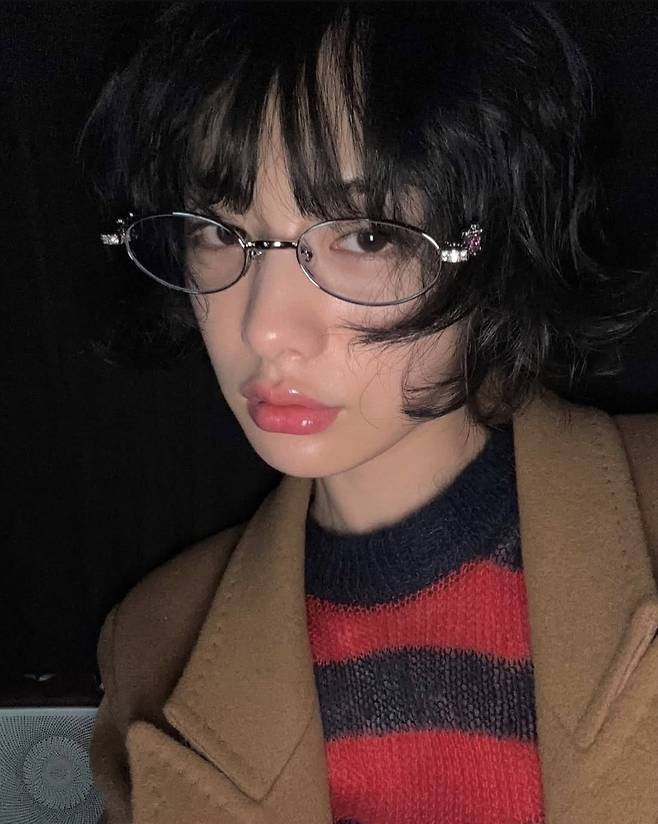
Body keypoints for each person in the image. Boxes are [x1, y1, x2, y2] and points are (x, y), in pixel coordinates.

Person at [78, 2, 658, 823]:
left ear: (495, 244)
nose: (264, 328)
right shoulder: (156, 642)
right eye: (219, 232)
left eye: (366, 237)